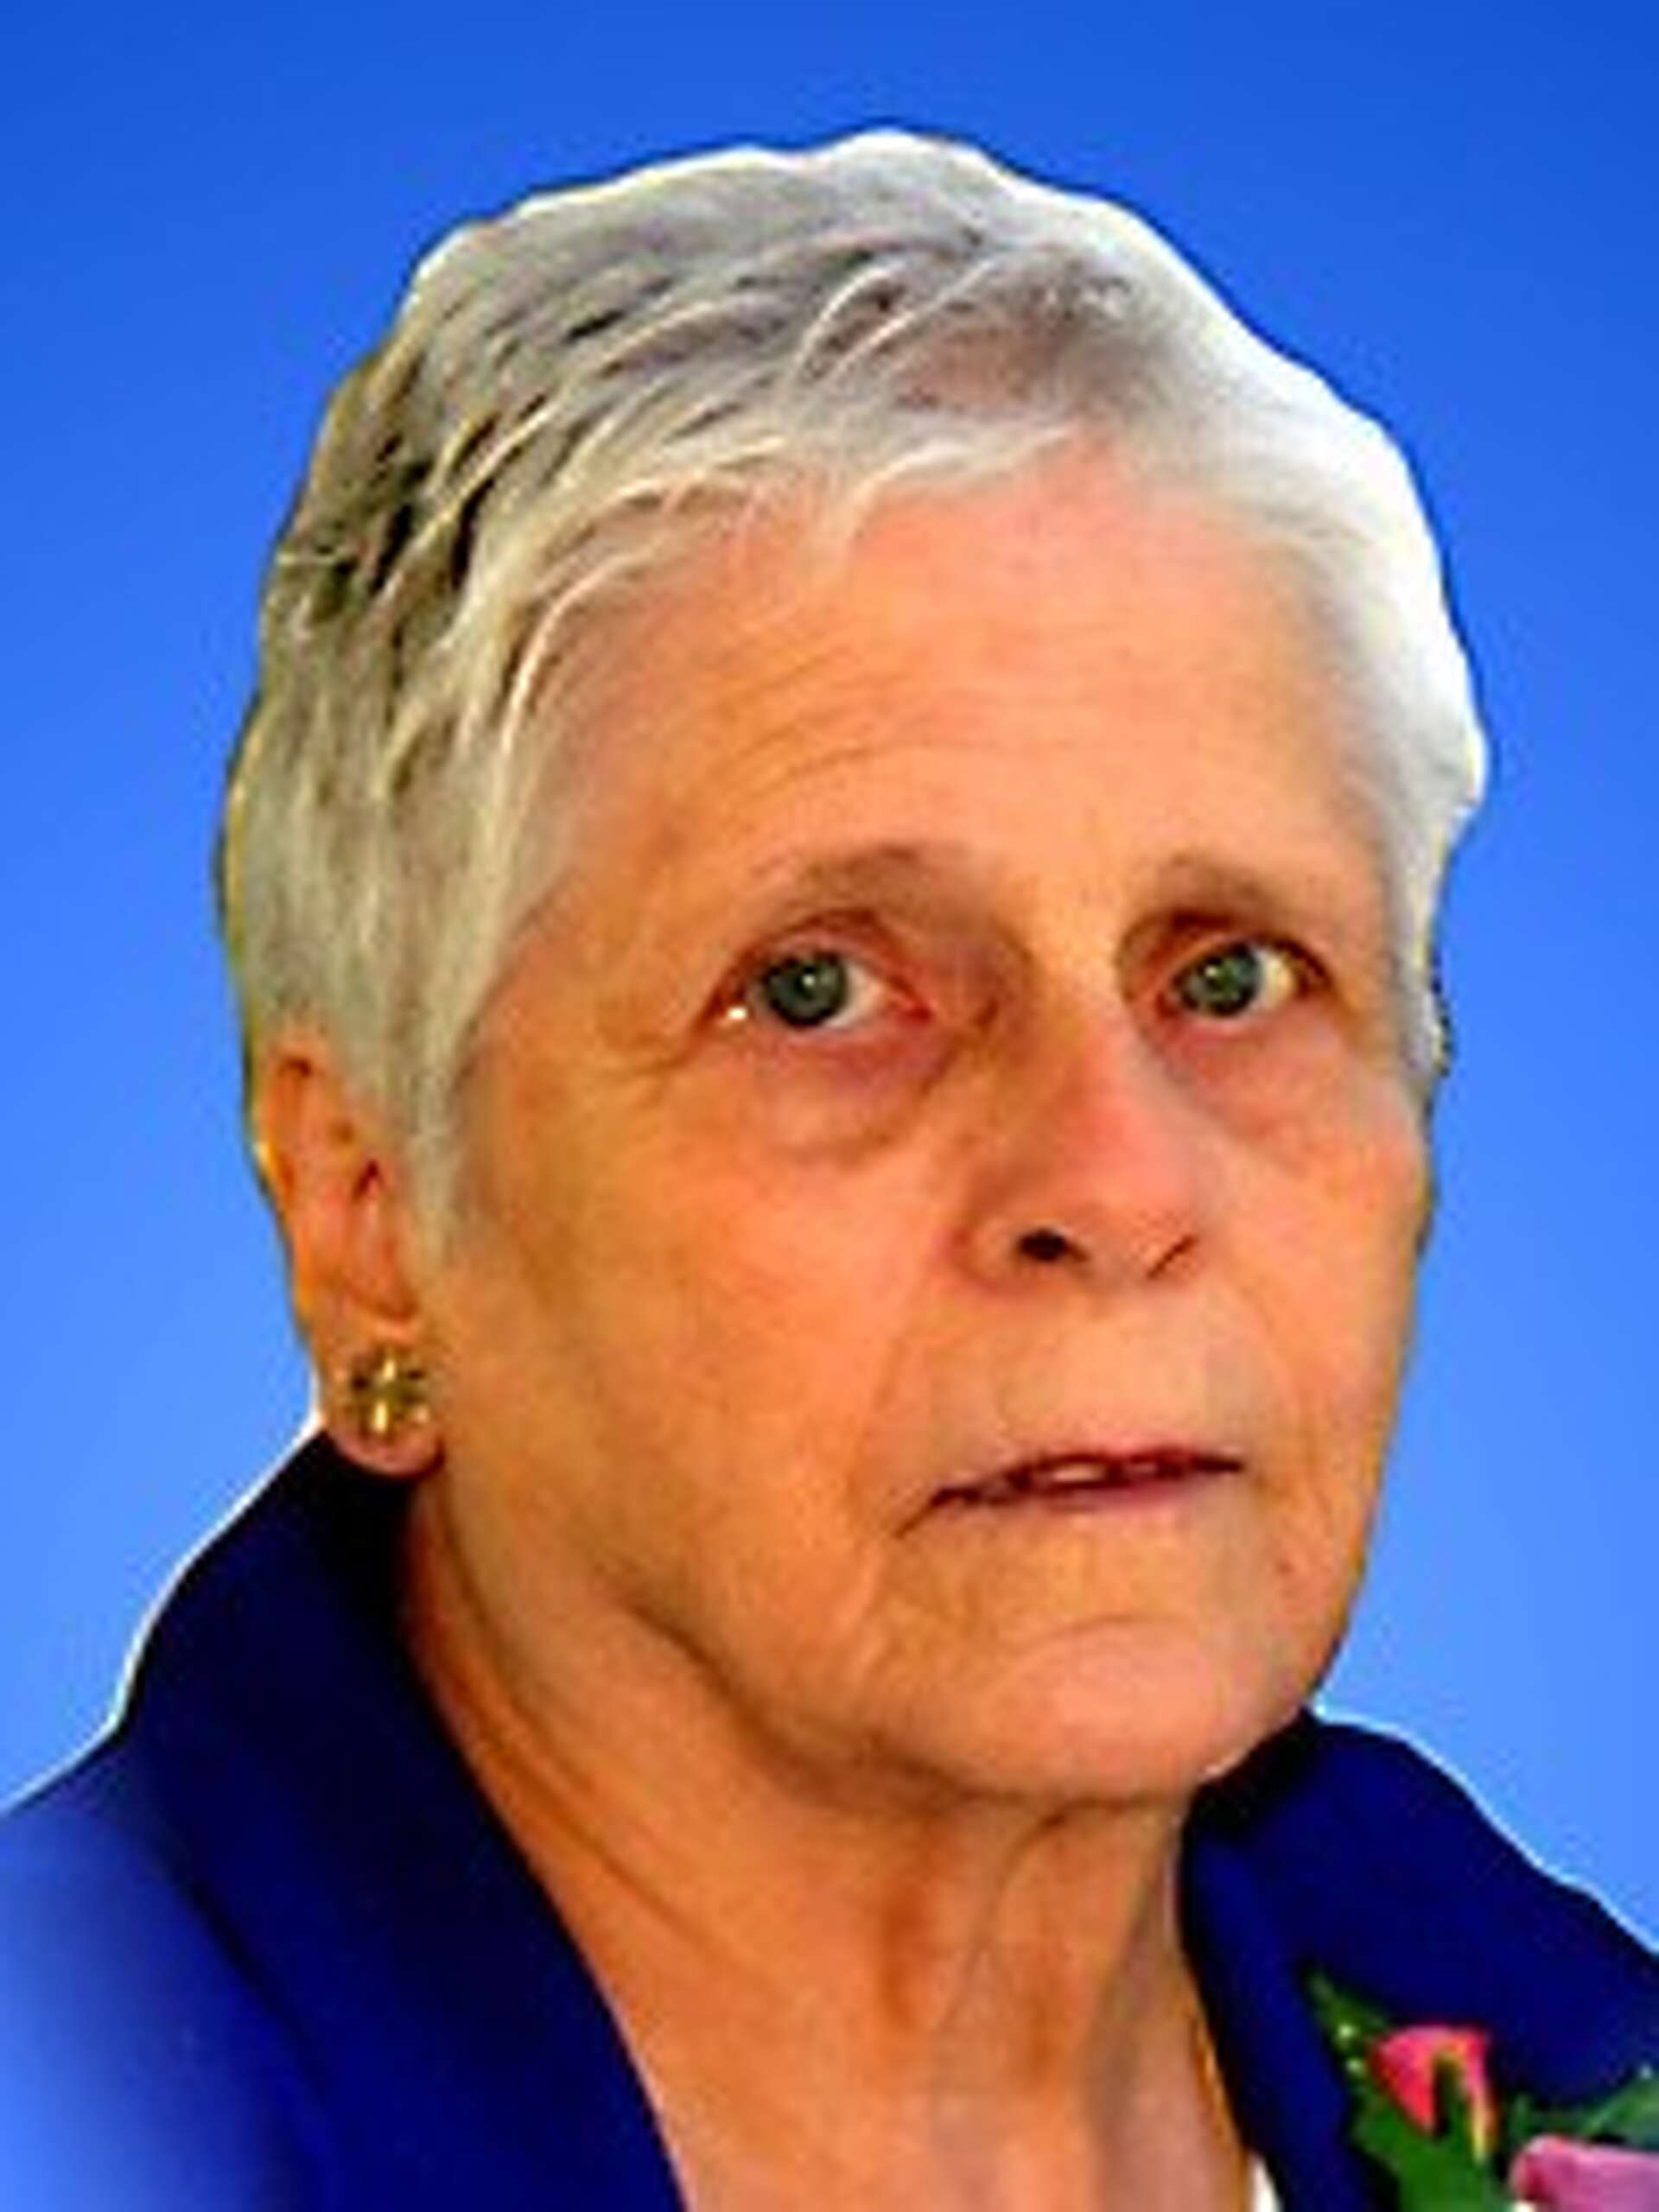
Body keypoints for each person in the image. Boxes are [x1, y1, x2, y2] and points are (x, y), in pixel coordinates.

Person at [1, 130, 1654, 2211]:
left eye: (1232, 973)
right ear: (372, 1219)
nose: (1117, 1179)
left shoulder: (1544, 2032)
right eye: (819, 989)